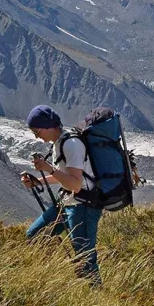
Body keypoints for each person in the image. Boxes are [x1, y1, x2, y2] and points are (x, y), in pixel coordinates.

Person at [21, 105, 102, 286]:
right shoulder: (60, 142)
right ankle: (52, 276)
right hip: (68, 203)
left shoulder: (72, 145)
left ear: (48, 126)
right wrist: (37, 181)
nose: (37, 136)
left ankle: (96, 294)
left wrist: (48, 169)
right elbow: (66, 177)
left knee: (85, 256)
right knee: (35, 235)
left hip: (83, 206)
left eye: (37, 131)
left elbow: (75, 184)